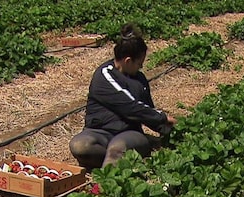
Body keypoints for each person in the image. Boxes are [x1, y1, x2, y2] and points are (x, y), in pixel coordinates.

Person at [69, 23, 178, 170]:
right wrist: (163, 117)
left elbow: (146, 111)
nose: (140, 67)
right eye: (139, 63)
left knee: (117, 148)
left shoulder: (139, 79)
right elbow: (131, 106)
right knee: (79, 146)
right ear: (128, 61)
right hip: (100, 132)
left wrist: (170, 131)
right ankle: (123, 160)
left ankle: (105, 183)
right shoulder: (105, 75)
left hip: (130, 133)